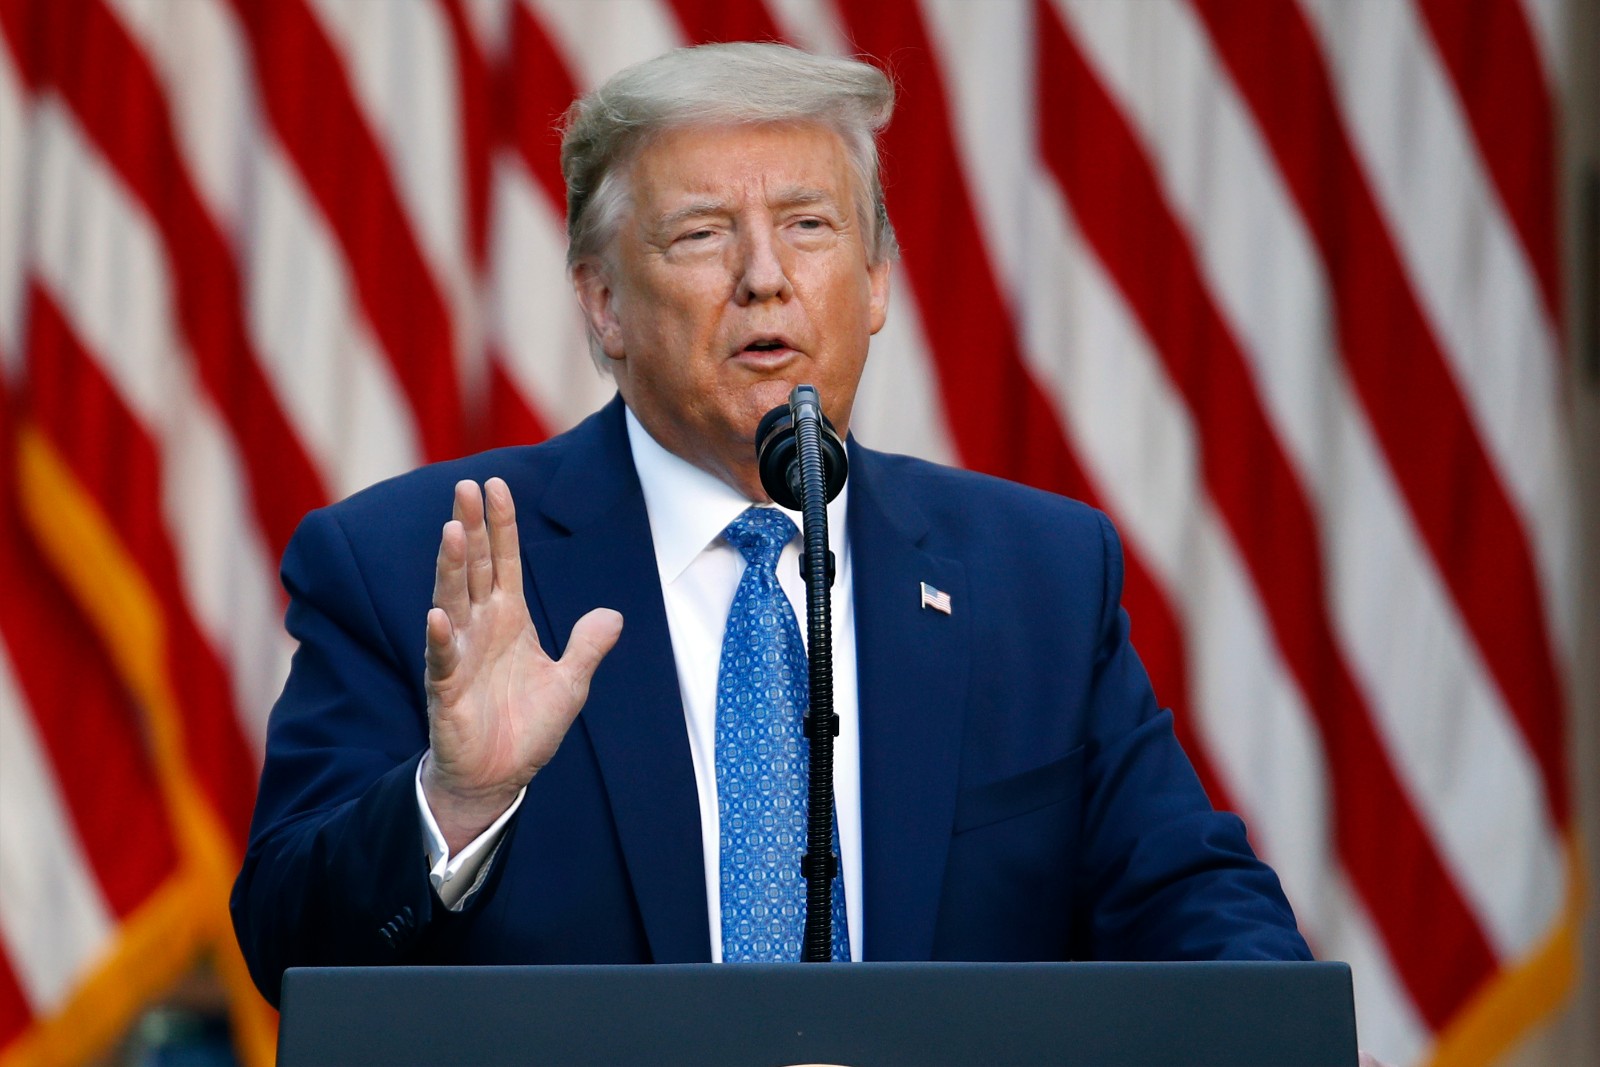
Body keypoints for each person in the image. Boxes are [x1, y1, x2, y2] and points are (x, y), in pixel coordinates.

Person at [231, 41, 1309, 1007]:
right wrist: (456, 797)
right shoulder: (419, 564)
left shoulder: (1036, 577)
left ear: (876, 281)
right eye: (702, 234)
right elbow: (288, 947)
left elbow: (1190, 903)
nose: (764, 279)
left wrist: (1284, 1036)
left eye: (808, 226)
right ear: (604, 304)